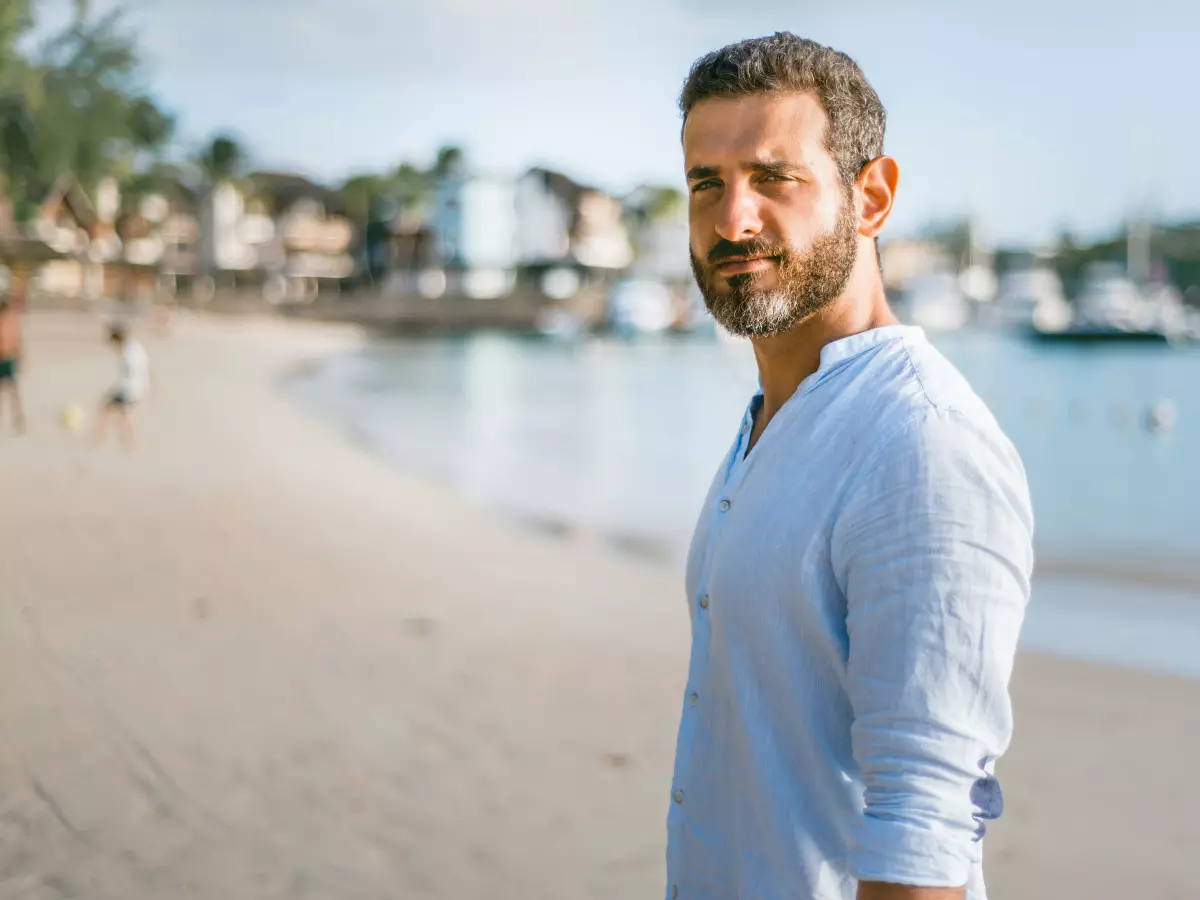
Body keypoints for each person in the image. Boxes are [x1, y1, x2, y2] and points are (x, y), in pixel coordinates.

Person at [666, 33, 1033, 900]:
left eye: (773, 178)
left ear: (870, 197)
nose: (732, 220)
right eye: (705, 184)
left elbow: (927, 828)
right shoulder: (777, 417)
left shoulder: (921, 444)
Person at [93, 322, 150, 451]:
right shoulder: (135, 346)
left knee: (107, 407)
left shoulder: (127, 353)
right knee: (124, 414)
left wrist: (114, 390)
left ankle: (101, 436)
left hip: (131, 389)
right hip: (140, 387)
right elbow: (146, 368)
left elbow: (129, 375)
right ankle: (128, 440)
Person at [0, 297, 26, 434]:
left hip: (7, 361)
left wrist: (20, 357)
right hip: (2, 361)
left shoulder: (10, 324)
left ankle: (18, 420)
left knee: (13, 393)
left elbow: (16, 342)